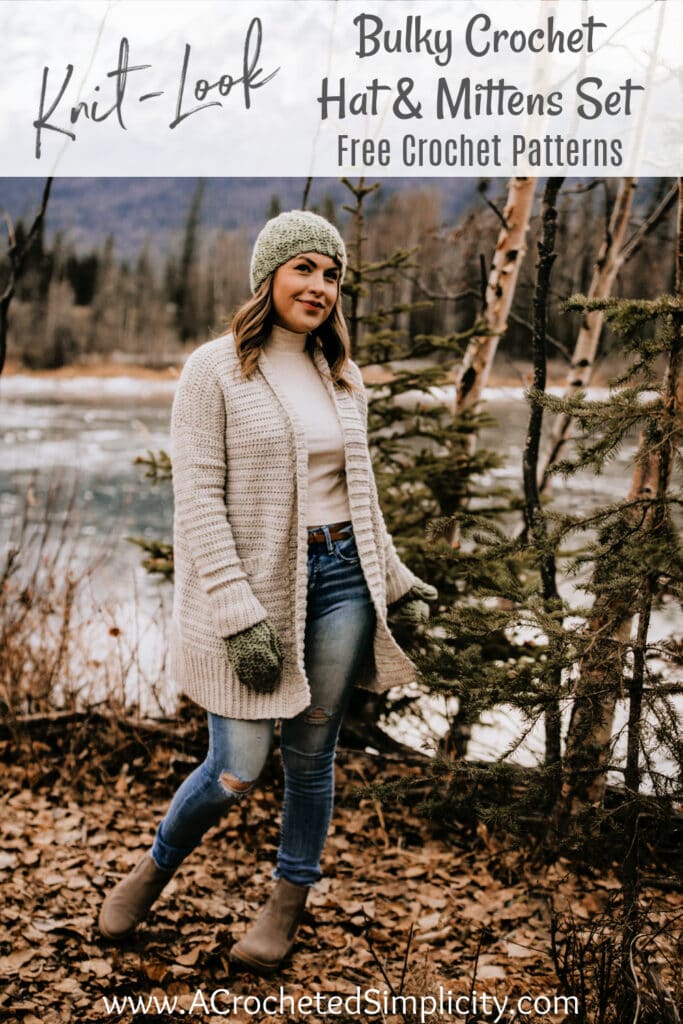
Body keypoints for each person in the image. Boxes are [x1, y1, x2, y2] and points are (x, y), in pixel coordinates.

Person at [98, 210, 436, 974]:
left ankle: (286, 905)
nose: (319, 287)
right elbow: (199, 503)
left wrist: (393, 578)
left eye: (332, 275)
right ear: (268, 276)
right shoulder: (212, 370)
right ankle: (152, 870)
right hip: (249, 597)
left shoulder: (340, 375)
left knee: (312, 757)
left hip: (342, 579)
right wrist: (239, 614)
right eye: (304, 269)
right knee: (235, 766)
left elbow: (360, 496)